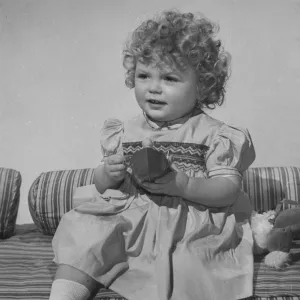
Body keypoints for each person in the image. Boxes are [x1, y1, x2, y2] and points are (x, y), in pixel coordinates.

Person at [49, 10, 256, 300]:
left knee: (192, 262)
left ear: (202, 86)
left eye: (170, 78)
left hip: (187, 223)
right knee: (87, 234)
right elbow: (99, 185)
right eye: (144, 75)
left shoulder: (214, 135)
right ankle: (65, 295)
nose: (154, 87)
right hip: (130, 217)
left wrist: (182, 184)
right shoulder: (123, 131)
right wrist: (109, 173)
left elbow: (228, 191)